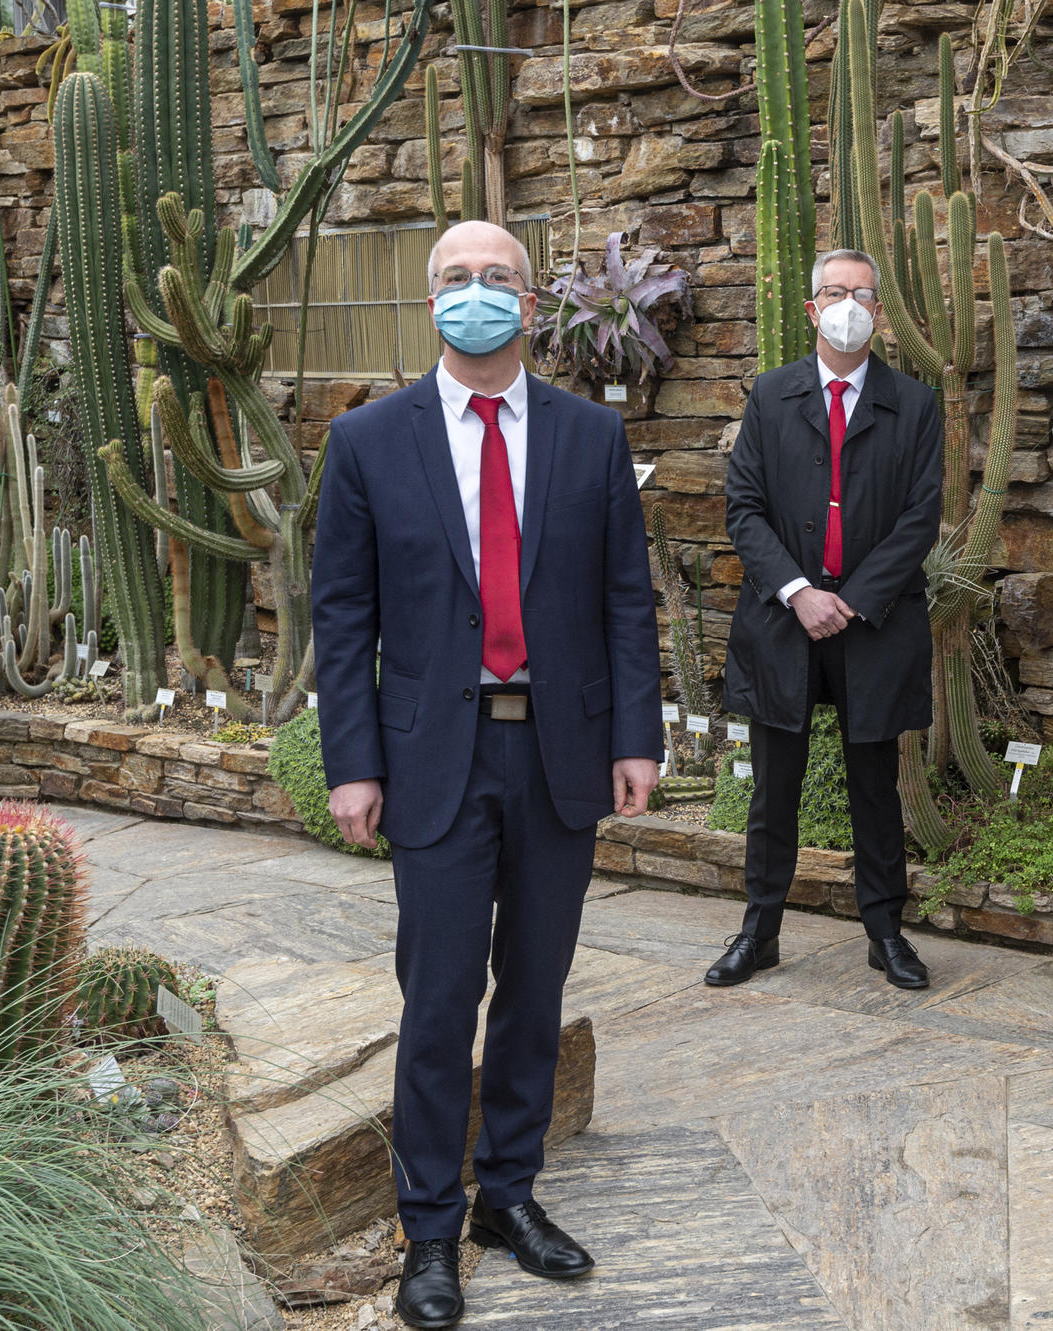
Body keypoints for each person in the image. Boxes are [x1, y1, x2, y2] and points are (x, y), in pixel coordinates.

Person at [311, 220, 664, 1328]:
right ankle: (428, 1226)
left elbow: (623, 599)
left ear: (530, 299)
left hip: (556, 750)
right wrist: (353, 763)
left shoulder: (587, 436)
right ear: (431, 303)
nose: (478, 293)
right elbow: (344, 613)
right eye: (457, 279)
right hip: (432, 759)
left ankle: (507, 1193)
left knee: (534, 991)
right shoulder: (368, 440)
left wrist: (636, 737)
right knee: (440, 995)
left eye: (497, 278)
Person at [707, 248, 943, 991]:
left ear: (879, 313)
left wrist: (854, 597)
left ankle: (886, 934)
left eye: (862, 294)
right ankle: (759, 931)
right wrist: (798, 592)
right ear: (811, 309)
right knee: (774, 788)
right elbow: (743, 507)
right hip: (785, 621)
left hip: (872, 620)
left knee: (875, 786)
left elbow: (920, 517)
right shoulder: (771, 396)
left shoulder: (915, 404)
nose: (847, 305)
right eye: (833, 292)